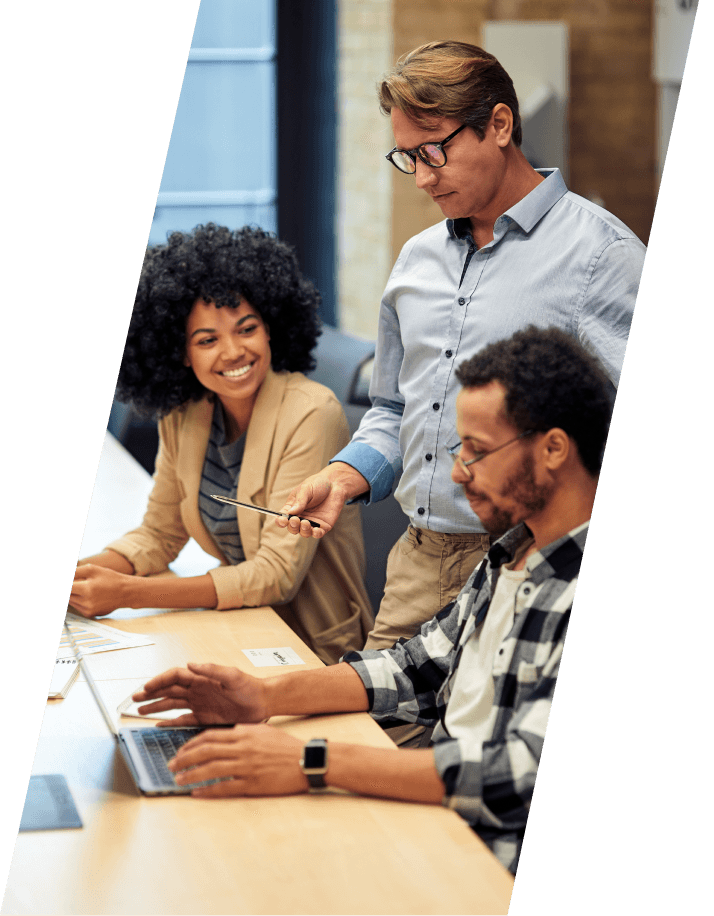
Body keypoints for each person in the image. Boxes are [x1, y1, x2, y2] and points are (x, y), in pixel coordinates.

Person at [133, 326, 611, 874]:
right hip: (440, 827)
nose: (457, 473)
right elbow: (417, 666)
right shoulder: (511, 551)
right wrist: (264, 698)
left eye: (476, 452)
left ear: (554, 448)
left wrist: (312, 761)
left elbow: (520, 776)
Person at [275, 40, 645, 649]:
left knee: (504, 745)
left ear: (499, 124)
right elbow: (395, 409)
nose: (422, 177)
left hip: (541, 568)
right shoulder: (415, 262)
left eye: (434, 151)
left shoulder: (602, 256)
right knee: (373, 736)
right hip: (420, 563)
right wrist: (344, 477)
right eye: (406, 158)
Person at [70, 224, 373, 665]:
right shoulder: (186, 411)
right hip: (240, 628)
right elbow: (159, 534)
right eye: (207, 340)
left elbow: (276, 574)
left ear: (271, 328)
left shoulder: (312, 413)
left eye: (246, 329)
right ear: (180, 353)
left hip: (316, 650)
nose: (232, 352)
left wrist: (129, 594)